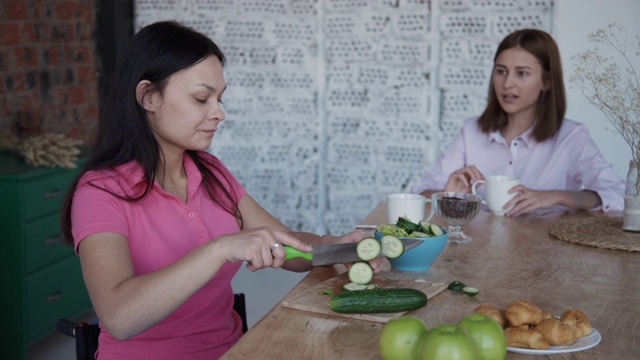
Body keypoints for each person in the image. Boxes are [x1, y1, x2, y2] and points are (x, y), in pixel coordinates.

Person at [60, 21, 382, 359]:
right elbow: (119, 317)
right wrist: (218, 250)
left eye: (220, 98)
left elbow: (286, 246)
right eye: (201, 99)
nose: (219, 113)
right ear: (149, 96)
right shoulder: (99, 193)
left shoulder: (211, 173)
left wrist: (334, 245)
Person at [411, 28, 624, 217]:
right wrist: (449, 196)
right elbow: (422, 191)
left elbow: (618, 195)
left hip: (548, 254)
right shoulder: (472, 132)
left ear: (547, 81)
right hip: (480, 250)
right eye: (501, 71)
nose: (507, 83)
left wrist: (558, 197)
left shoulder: (572, 137)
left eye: (522, 73)